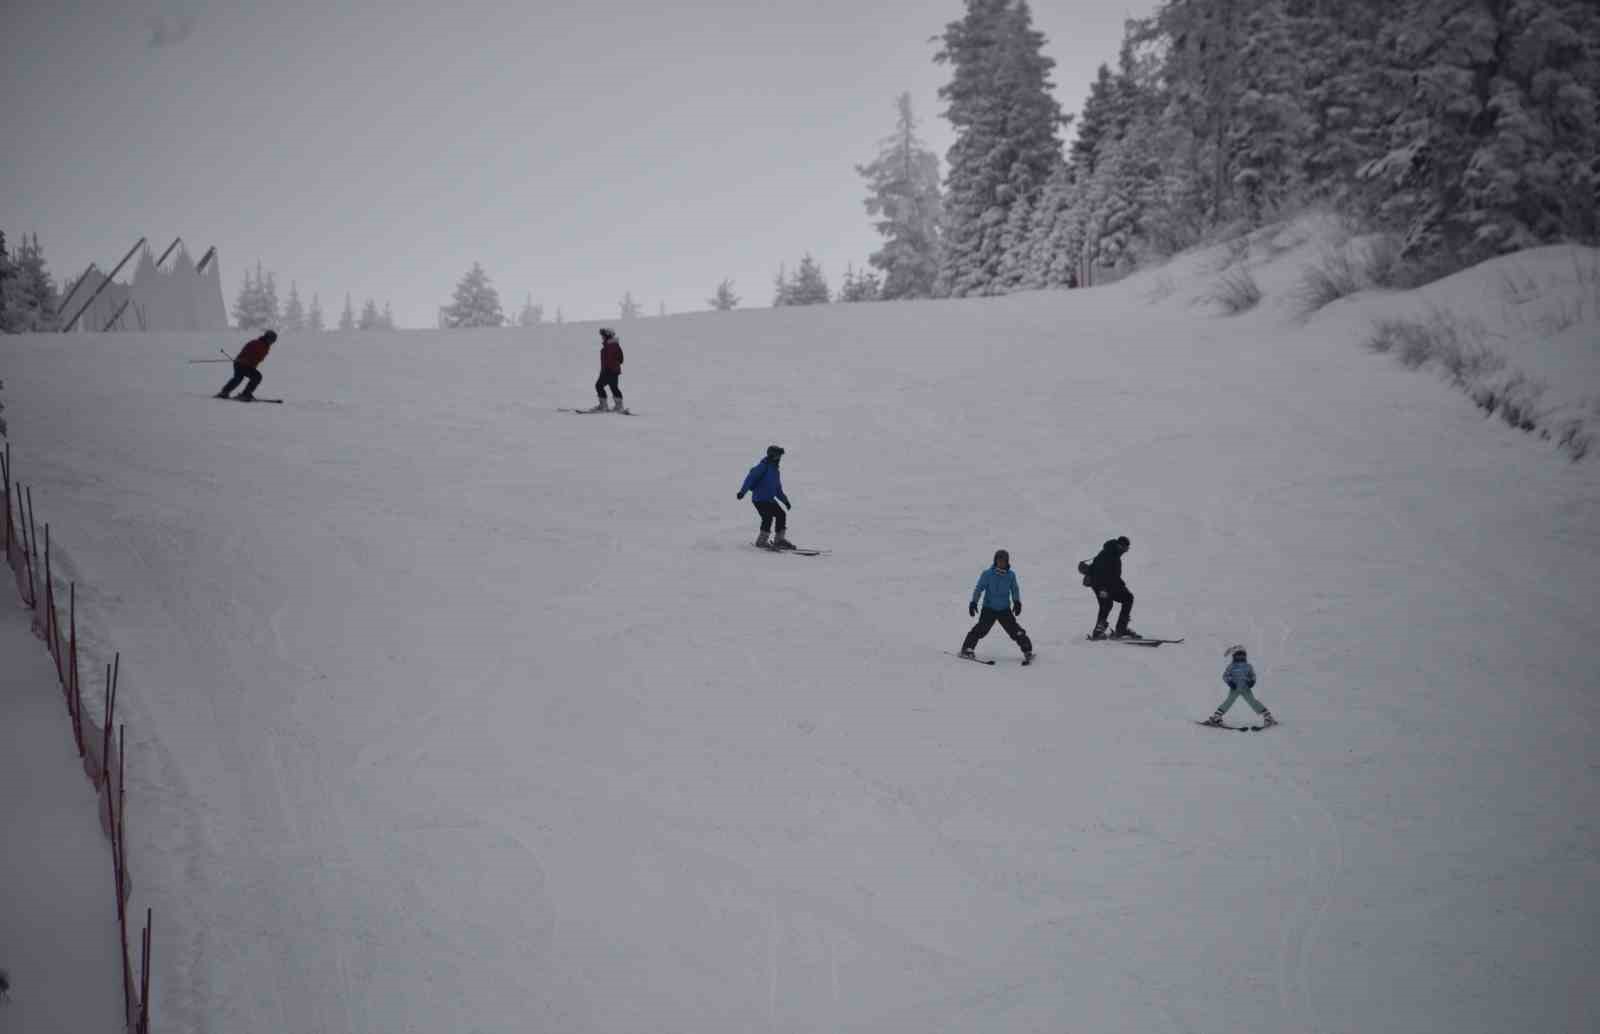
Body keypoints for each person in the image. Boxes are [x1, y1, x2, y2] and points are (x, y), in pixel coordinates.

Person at [960, 549, 1034, 662]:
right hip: (989, 608)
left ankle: (1027, 650)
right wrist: (974, 602)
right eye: (999, 560)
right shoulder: (987, 574)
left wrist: (1017, 602)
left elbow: (1014, 589)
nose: (1001, 563)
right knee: (981, 629)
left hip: (1004, 609)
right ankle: (967, 649)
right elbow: (979, 588)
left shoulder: (1011, 575)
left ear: (1007, 562)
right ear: (995, 561)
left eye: (1003, 561)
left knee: (1015, 630)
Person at [1204, 646, 1277, 727]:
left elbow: (1252, 675)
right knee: (1229, 701)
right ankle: (1216, 717)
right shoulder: (1231, 666)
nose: (1240, 657)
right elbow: (1225, 675)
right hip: (1235, 688)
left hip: (1245, 688)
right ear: (1234, 656)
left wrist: (1252, 681)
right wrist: (1230, 682)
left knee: (1252, 701)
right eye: (1238, 655)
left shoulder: (1248, 666)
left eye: (1242, 655)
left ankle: (1268, 716)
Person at [1083, 535, 1139, 639]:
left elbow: (1113, 576)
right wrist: (1103, 589)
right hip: (1100, 585)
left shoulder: (1114, 555)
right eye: (1125, 549)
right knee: (1107, 604)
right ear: (1119, 546)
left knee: (1128, 598)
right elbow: (1100, 574)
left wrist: (1122, 586)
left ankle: (1121, 629)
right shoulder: (1107, 554)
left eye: (1127, 549)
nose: (1125, 551)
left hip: (1109, 585)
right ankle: (1098, 631)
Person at [737, 445, 793, 549]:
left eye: (780, 456)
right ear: (771, 455)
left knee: (781, 514)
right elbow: (750, 478)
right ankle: (761, 541)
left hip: (769, 500)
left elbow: (778, 490)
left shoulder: (775, 471)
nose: (779, 458)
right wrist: (742, 492)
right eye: (777, 456)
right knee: (767, 517)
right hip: (759, 499)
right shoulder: (763, 467)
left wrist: (785, 501)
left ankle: (779, 540)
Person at [215, 329, 276, 401]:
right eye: (272, 340)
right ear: (267, 337)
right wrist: (244, 359)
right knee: (256, 377)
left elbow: (257, 358)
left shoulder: (264, 346)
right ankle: (245, 394)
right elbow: (247, 351)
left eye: (273, 341)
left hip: (244, 364)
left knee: (238, 378)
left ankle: (225, 392)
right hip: (242, 363)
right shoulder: (257, 343)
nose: (272, 342)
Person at [587, 327, 625, 412]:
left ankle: (603, 406)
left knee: (599, 386)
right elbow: (620, 359)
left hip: (609, 371)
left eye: (603, 336)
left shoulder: (610, 346)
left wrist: (608, 369)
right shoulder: (612, 346)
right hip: (612, 371)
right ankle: (619, 406)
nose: (602, 337)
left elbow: (617, 359)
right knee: (613, 387)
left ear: (607, 336)